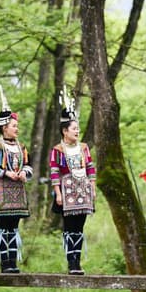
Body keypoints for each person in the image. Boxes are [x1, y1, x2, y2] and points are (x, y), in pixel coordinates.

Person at [0, 86, 32, 273]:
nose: (16, 129)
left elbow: (28, 165)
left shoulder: (22, 147)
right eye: (13, 126)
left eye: (17, 126)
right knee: (3, 228)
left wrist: (23, 173)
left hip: (17, 194)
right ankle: (5, 263)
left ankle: (13, 261)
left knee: (14, 227)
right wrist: (5, 173)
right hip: (0, 195)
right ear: (4, 128)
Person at [49, 89, 96, 275]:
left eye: (78, 128)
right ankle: (72, 262)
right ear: (64, 131)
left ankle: (78, 261)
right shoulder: (58, 149)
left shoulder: (84, 148)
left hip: (83, 191)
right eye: (74, 128)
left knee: (80, 227)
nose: (77, 131)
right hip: (66, 192)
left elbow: (90, 168)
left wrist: (92, 188)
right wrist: (58, 193)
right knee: (69, 228)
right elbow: (54, 172)